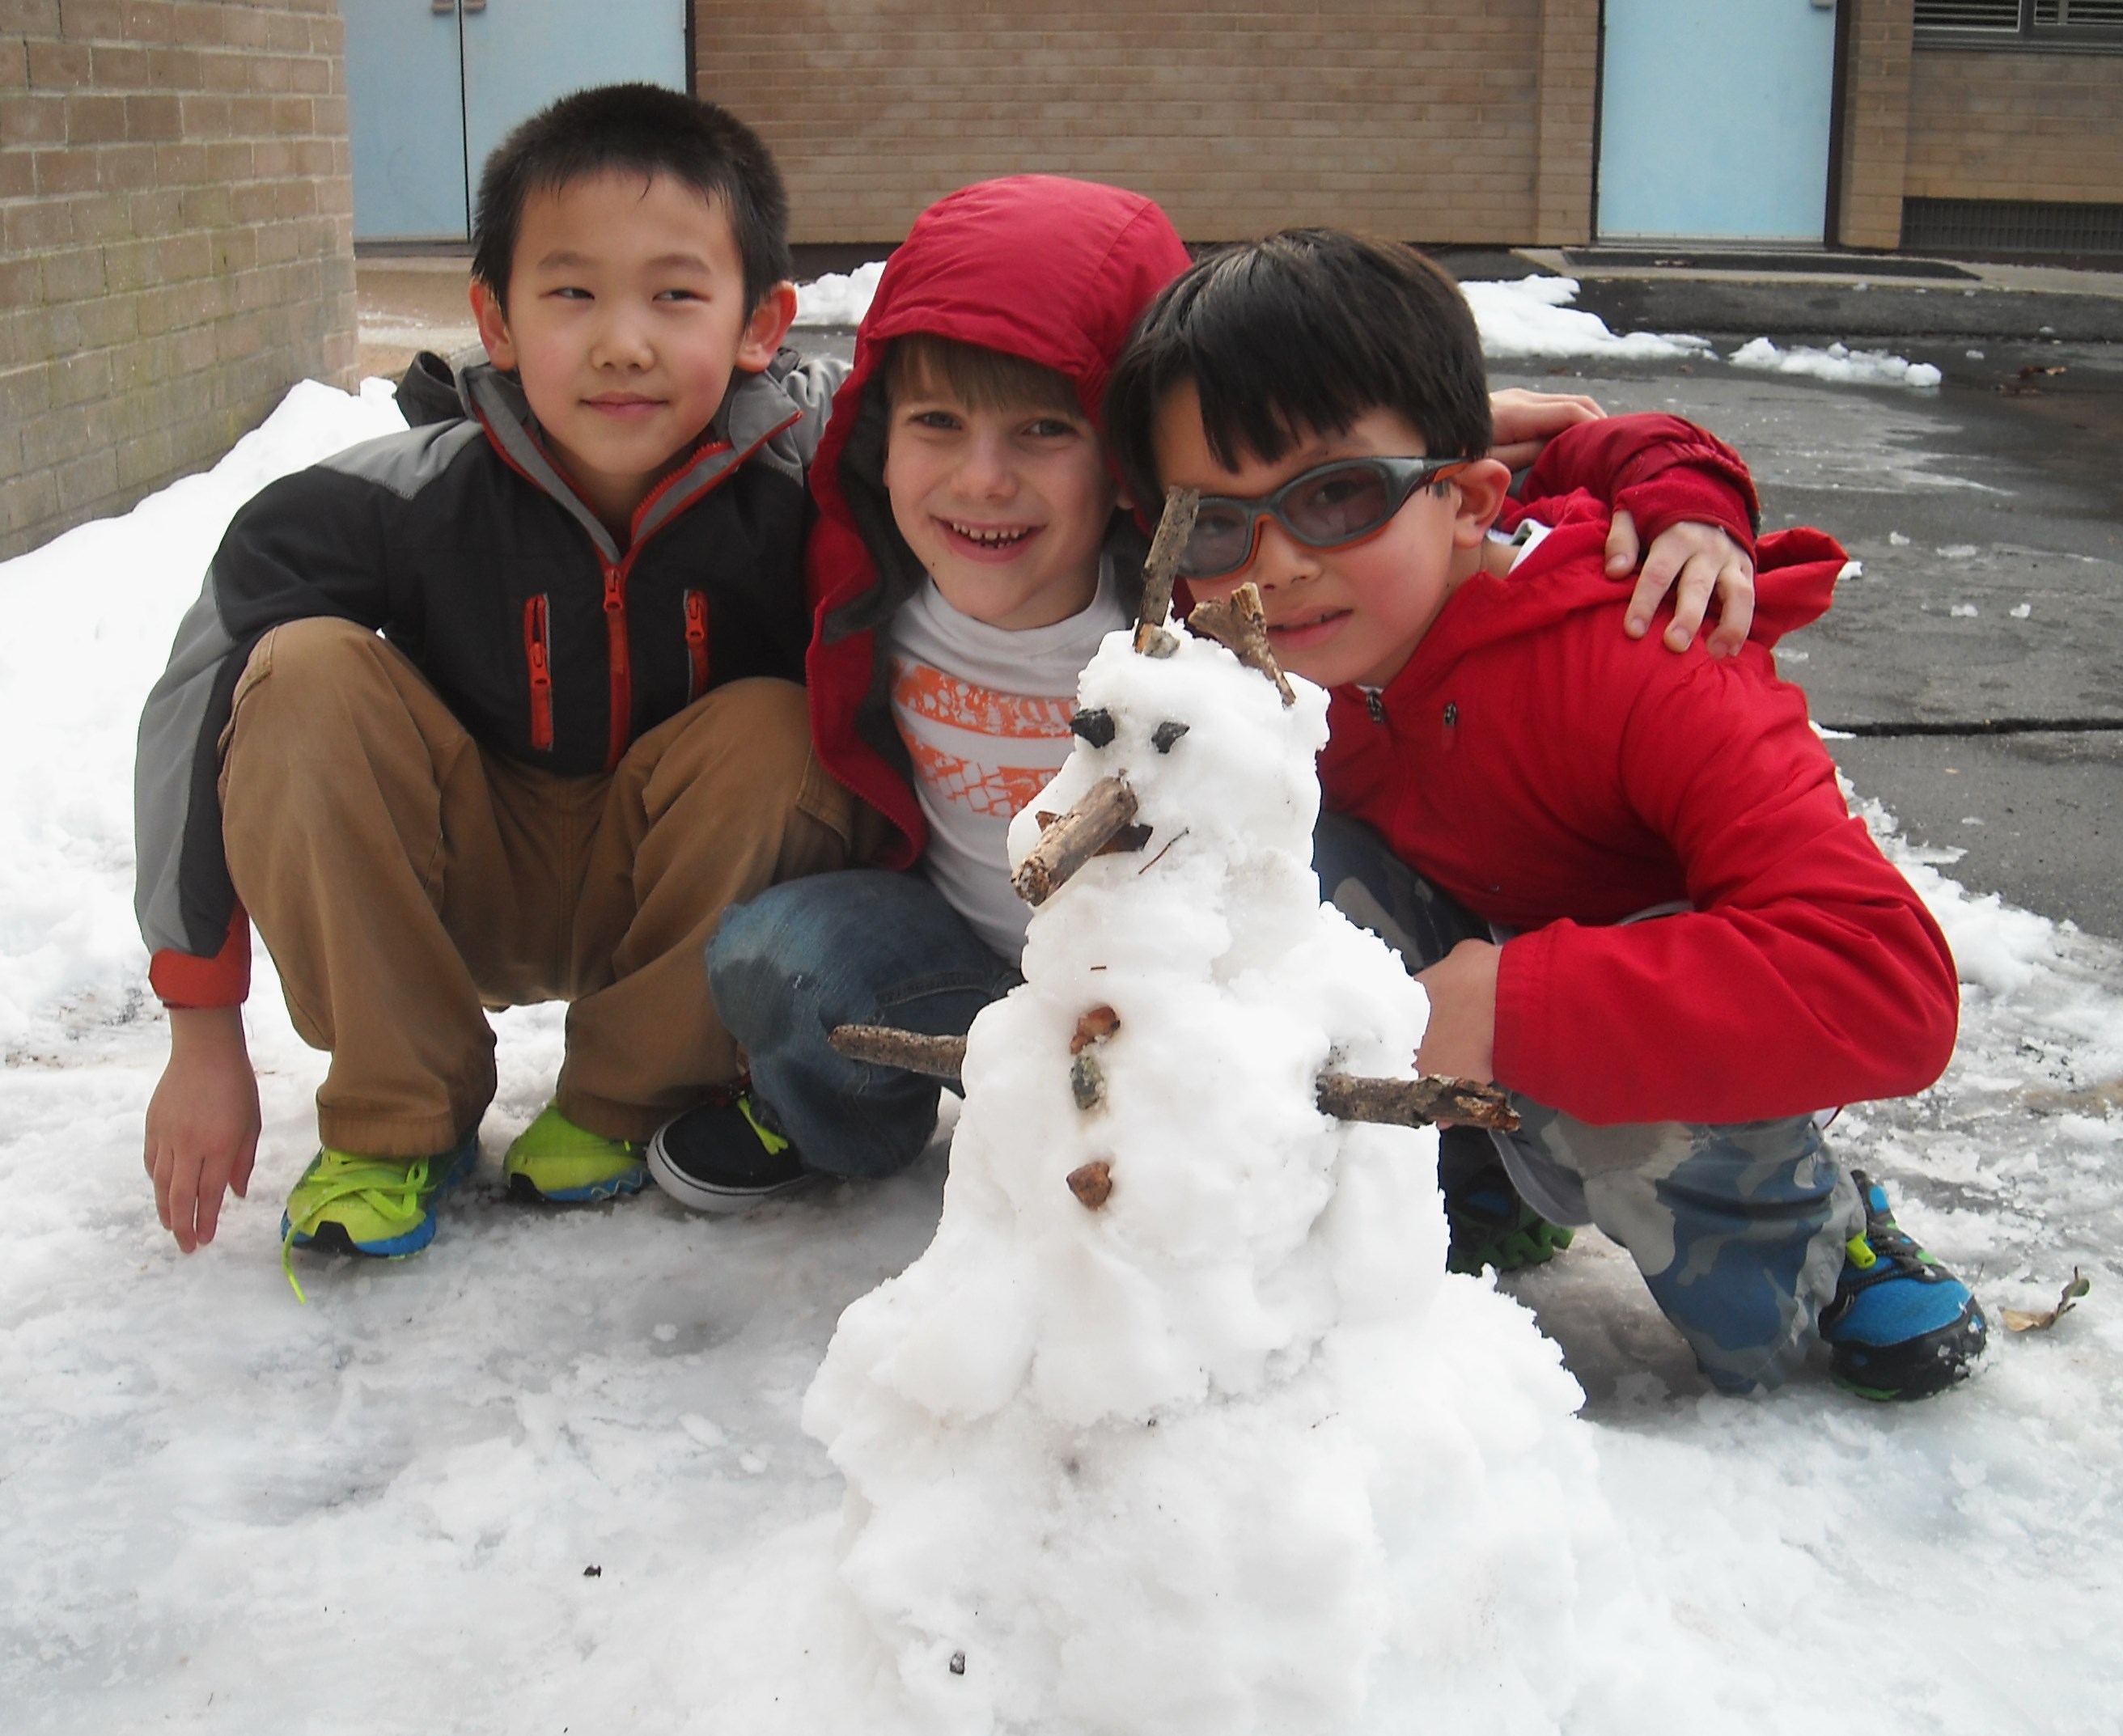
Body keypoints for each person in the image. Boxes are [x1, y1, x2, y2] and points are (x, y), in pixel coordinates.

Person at [646, 176, 1767, 1243]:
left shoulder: (1210, 576)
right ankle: (840, 1126)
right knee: (783, 950)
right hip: (956, 961)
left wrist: (1685, 489)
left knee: (1343, 894)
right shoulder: (856, 558)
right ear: (879, 439)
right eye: (936, 423)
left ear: (1130, 460)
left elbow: (1502, 468)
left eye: (1043, 431)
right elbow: (692, 437)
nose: (982, 479)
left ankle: (1342, 1169)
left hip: (1177, 985)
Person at [1100, 229, 1984, 1400]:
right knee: (1270, 864)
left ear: (1468, 500)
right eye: (1218, 521)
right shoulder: (1253, 656)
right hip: (1474, 956)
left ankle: (1827, 1240)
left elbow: (1886, 979)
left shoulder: (1648, 654)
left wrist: (1505, 1008)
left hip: (1666, 1025)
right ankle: (1473, 1178)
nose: (1276, 565)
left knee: (1745, 1330)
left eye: (1338, 494)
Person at [134, 85, 857, 1283]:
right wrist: (201, 1027)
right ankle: (398, 1111)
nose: (622, 342)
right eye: (572, 293)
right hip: (458, 878)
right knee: (298, 676)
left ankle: (629, 1095)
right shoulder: (396, 497)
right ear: (496, 319)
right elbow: (198, 700)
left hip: (671, 884)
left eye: (675, 296)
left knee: (779, 731)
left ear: (761, 323)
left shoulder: (820, 489)